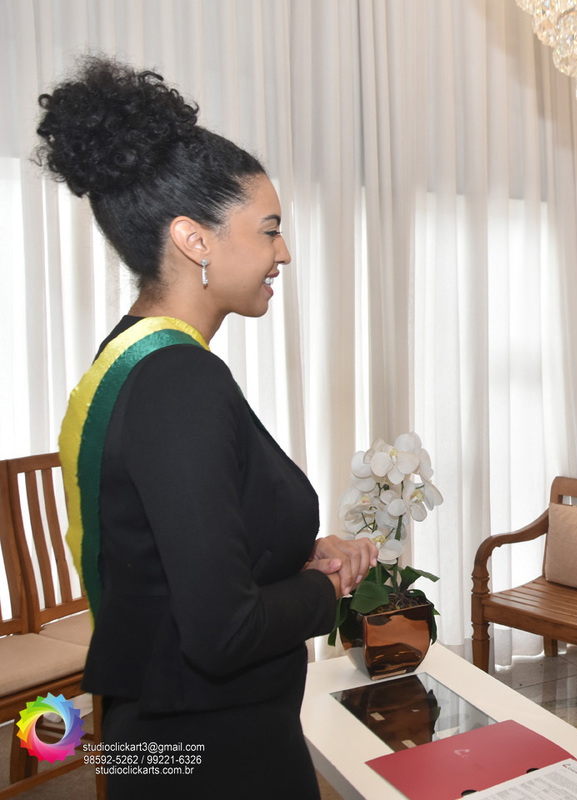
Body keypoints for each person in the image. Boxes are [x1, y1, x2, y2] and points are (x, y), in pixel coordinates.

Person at [38, 58, 376, 799]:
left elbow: (167, 551)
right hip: (211, 751)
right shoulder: (180, 382)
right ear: (194, 239)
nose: (283, 252)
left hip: (159, 734)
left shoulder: (130, 358)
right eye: (268, 230)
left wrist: (287, 552)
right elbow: (222, 632)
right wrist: (327, 587)